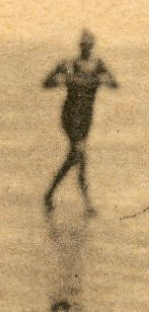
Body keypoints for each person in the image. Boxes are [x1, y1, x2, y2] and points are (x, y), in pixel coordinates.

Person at [42, 29, 119, 217]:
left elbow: (114, 83)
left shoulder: (97, 65)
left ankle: (50, 195)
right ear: (80, 46)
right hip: (70, 115)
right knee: (78, 152)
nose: (86, 48)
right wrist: (61, 80)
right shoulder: (69, 65)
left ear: (92, 46)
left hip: (86, 118)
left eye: (89, 45)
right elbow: (46, 82)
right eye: (83, 45)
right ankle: (86, 203)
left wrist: (103, 80)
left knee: (77, 157)